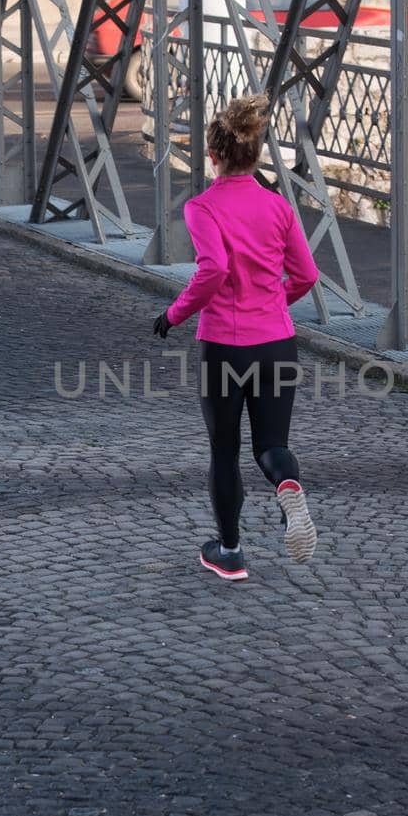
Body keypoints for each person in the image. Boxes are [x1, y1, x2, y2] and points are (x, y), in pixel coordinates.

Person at [153, 93, 320, 582]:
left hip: (226, 347)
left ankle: (229, 552)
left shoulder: (202, 208)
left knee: (223, 450)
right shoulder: (278, 207)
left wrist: (175, 314)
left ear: (213, 155)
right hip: (276, 343)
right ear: (257, 153)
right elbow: (307, 275)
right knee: (271, 445)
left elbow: (214, 269)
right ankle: (287, 484)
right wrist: (270, 307)